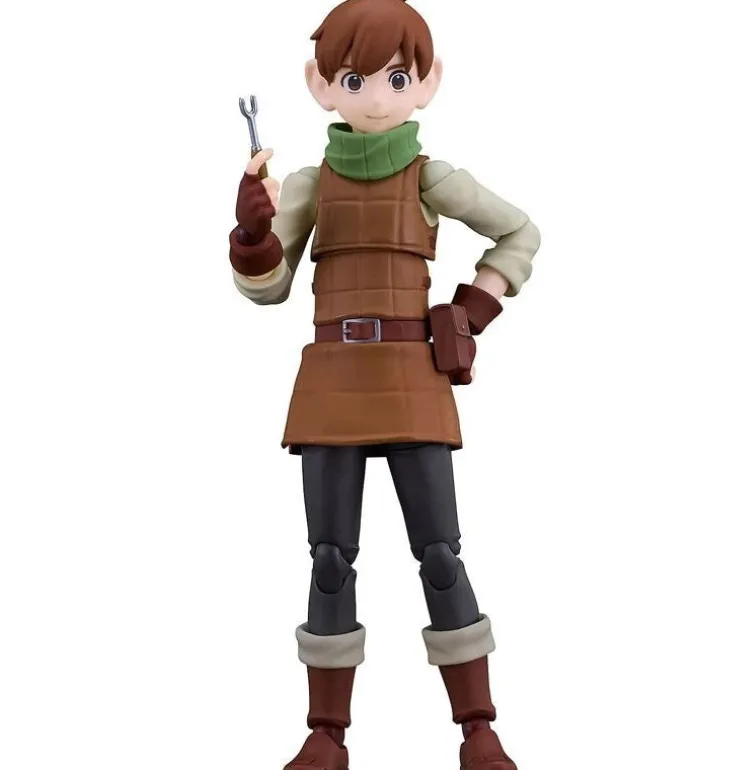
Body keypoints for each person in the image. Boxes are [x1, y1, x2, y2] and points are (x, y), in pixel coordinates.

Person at [228, 1, 541, 767]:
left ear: (426, 84)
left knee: (441, 553)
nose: (375, 97)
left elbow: (519, 232)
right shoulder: (311, 184)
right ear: (321, 85)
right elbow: (269, 288)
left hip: (411, 378)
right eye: (354, 79)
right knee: (330, 558)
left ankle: (478, 728)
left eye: (397, 78)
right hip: (331, 380)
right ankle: (325, 733)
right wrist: (252, 236)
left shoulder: (430, 177)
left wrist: (472, 310)